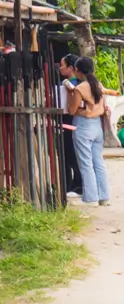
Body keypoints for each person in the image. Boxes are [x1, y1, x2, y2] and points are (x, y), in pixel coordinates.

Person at [65, 56, 111, 206]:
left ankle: (91, 198)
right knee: (98, 161)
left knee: (85, 163)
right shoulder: (98, 84)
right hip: (97, 125)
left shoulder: (80, 88)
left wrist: (70, 94)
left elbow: (72, 110)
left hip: (84, 126)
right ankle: (104, 196)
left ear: (77, 70)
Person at [58, 54, 83, 198]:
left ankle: (77, 183)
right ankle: (72, 183)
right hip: (69, 120)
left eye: (62, 65)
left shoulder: (72, 84)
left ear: (71, 68)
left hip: (70, 120)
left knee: (71, 153)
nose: (60, 68)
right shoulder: (71, 83)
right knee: (69, 153)